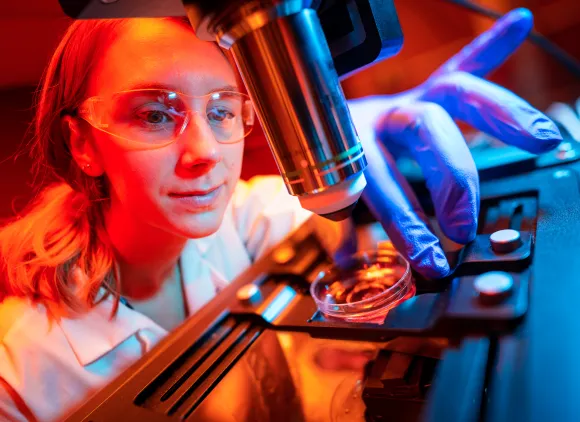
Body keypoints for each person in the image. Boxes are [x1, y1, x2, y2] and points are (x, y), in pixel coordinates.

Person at [0, 8, 561, 421]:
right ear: (82, 144)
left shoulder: (244, 219)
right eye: (153, 114)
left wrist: (358, 137)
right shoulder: (18, 376)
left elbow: (357, 218)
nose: (204, 154)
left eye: (222, 110)